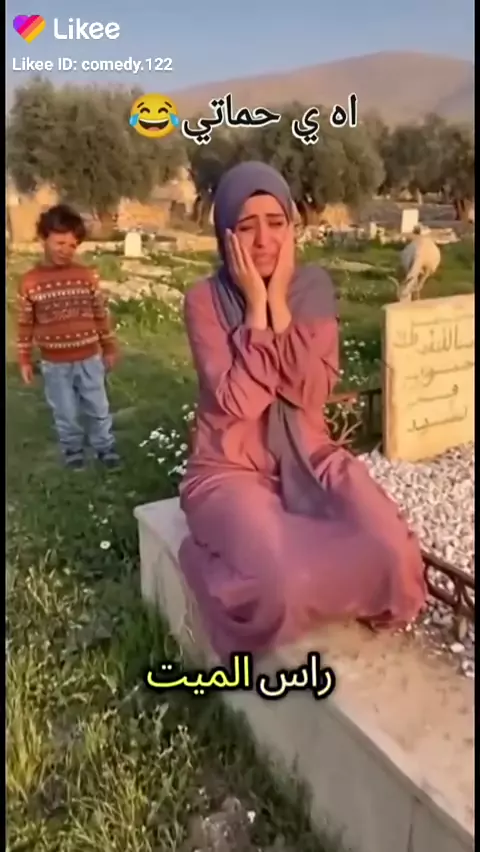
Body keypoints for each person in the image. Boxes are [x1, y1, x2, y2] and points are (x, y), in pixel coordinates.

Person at [179, 161, 426, 660]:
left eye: (276, 223)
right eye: (247, 227)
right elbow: (240, 401)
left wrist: (281, 306)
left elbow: (310, 391)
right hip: (230, 468)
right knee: (279, 586)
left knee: (394, 556)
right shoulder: (205, 300)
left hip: (313, 457)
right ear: (226, 236)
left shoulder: (311, 287)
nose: (264, 240)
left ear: (292, 228)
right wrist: (256, 310)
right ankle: (207, 556)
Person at [16, 204, 121, 471]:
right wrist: (25, 358)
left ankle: (105, 447)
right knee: (65, 411)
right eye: (60, 243)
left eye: (73, 245)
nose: (66, 250)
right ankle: (73, 449)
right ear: (44, 238)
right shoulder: (30, 282)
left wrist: (109, 347)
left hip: (89, 359)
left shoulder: (86, 277)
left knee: (98, 407)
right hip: (54, 364)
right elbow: (25, 324)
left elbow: (100, 314)